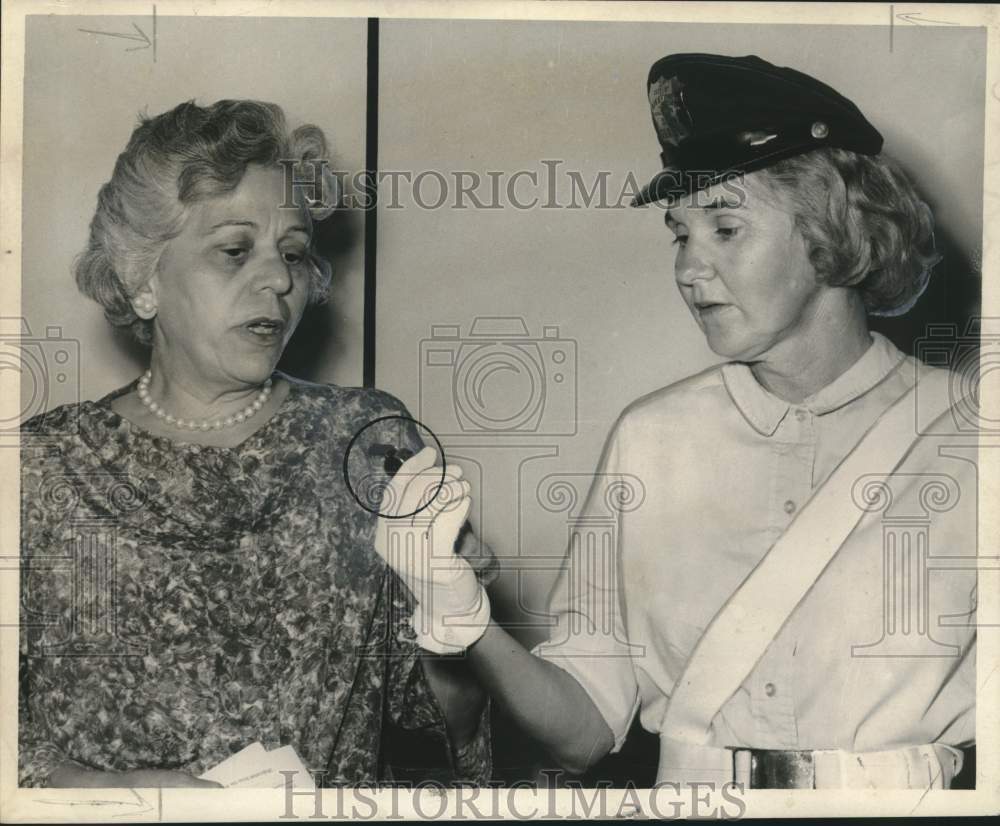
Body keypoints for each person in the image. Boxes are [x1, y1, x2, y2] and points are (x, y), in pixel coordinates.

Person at [376, 54, 978, 789]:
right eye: (680, 234)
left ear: (833, 232)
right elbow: (583, 733)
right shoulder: (652, 440)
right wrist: (467, 623)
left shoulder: (972, 439)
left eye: (725, 228)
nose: (689, 269)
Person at [18, 99, 496, 788]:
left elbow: (444, 731)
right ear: (142, 279)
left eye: (294, 254)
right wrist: (127, 797)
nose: (279, 280)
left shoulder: (367, 443)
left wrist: (453, 613)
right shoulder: (39, 469)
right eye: (235, 250)